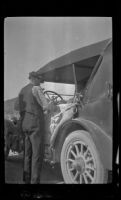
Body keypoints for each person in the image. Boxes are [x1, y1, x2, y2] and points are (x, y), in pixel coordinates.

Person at [14, 71, 51, 184]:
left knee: (27, 154)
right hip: (35, 125)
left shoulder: (22, 90)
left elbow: (17, 107)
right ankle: (35, 182)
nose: (40, 83)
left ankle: (26, 180)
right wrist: (52, 108)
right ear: (34, 79)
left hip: (25, 125)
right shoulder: (36, 89)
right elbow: (46, 106)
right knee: (37, 155)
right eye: (39, 80)